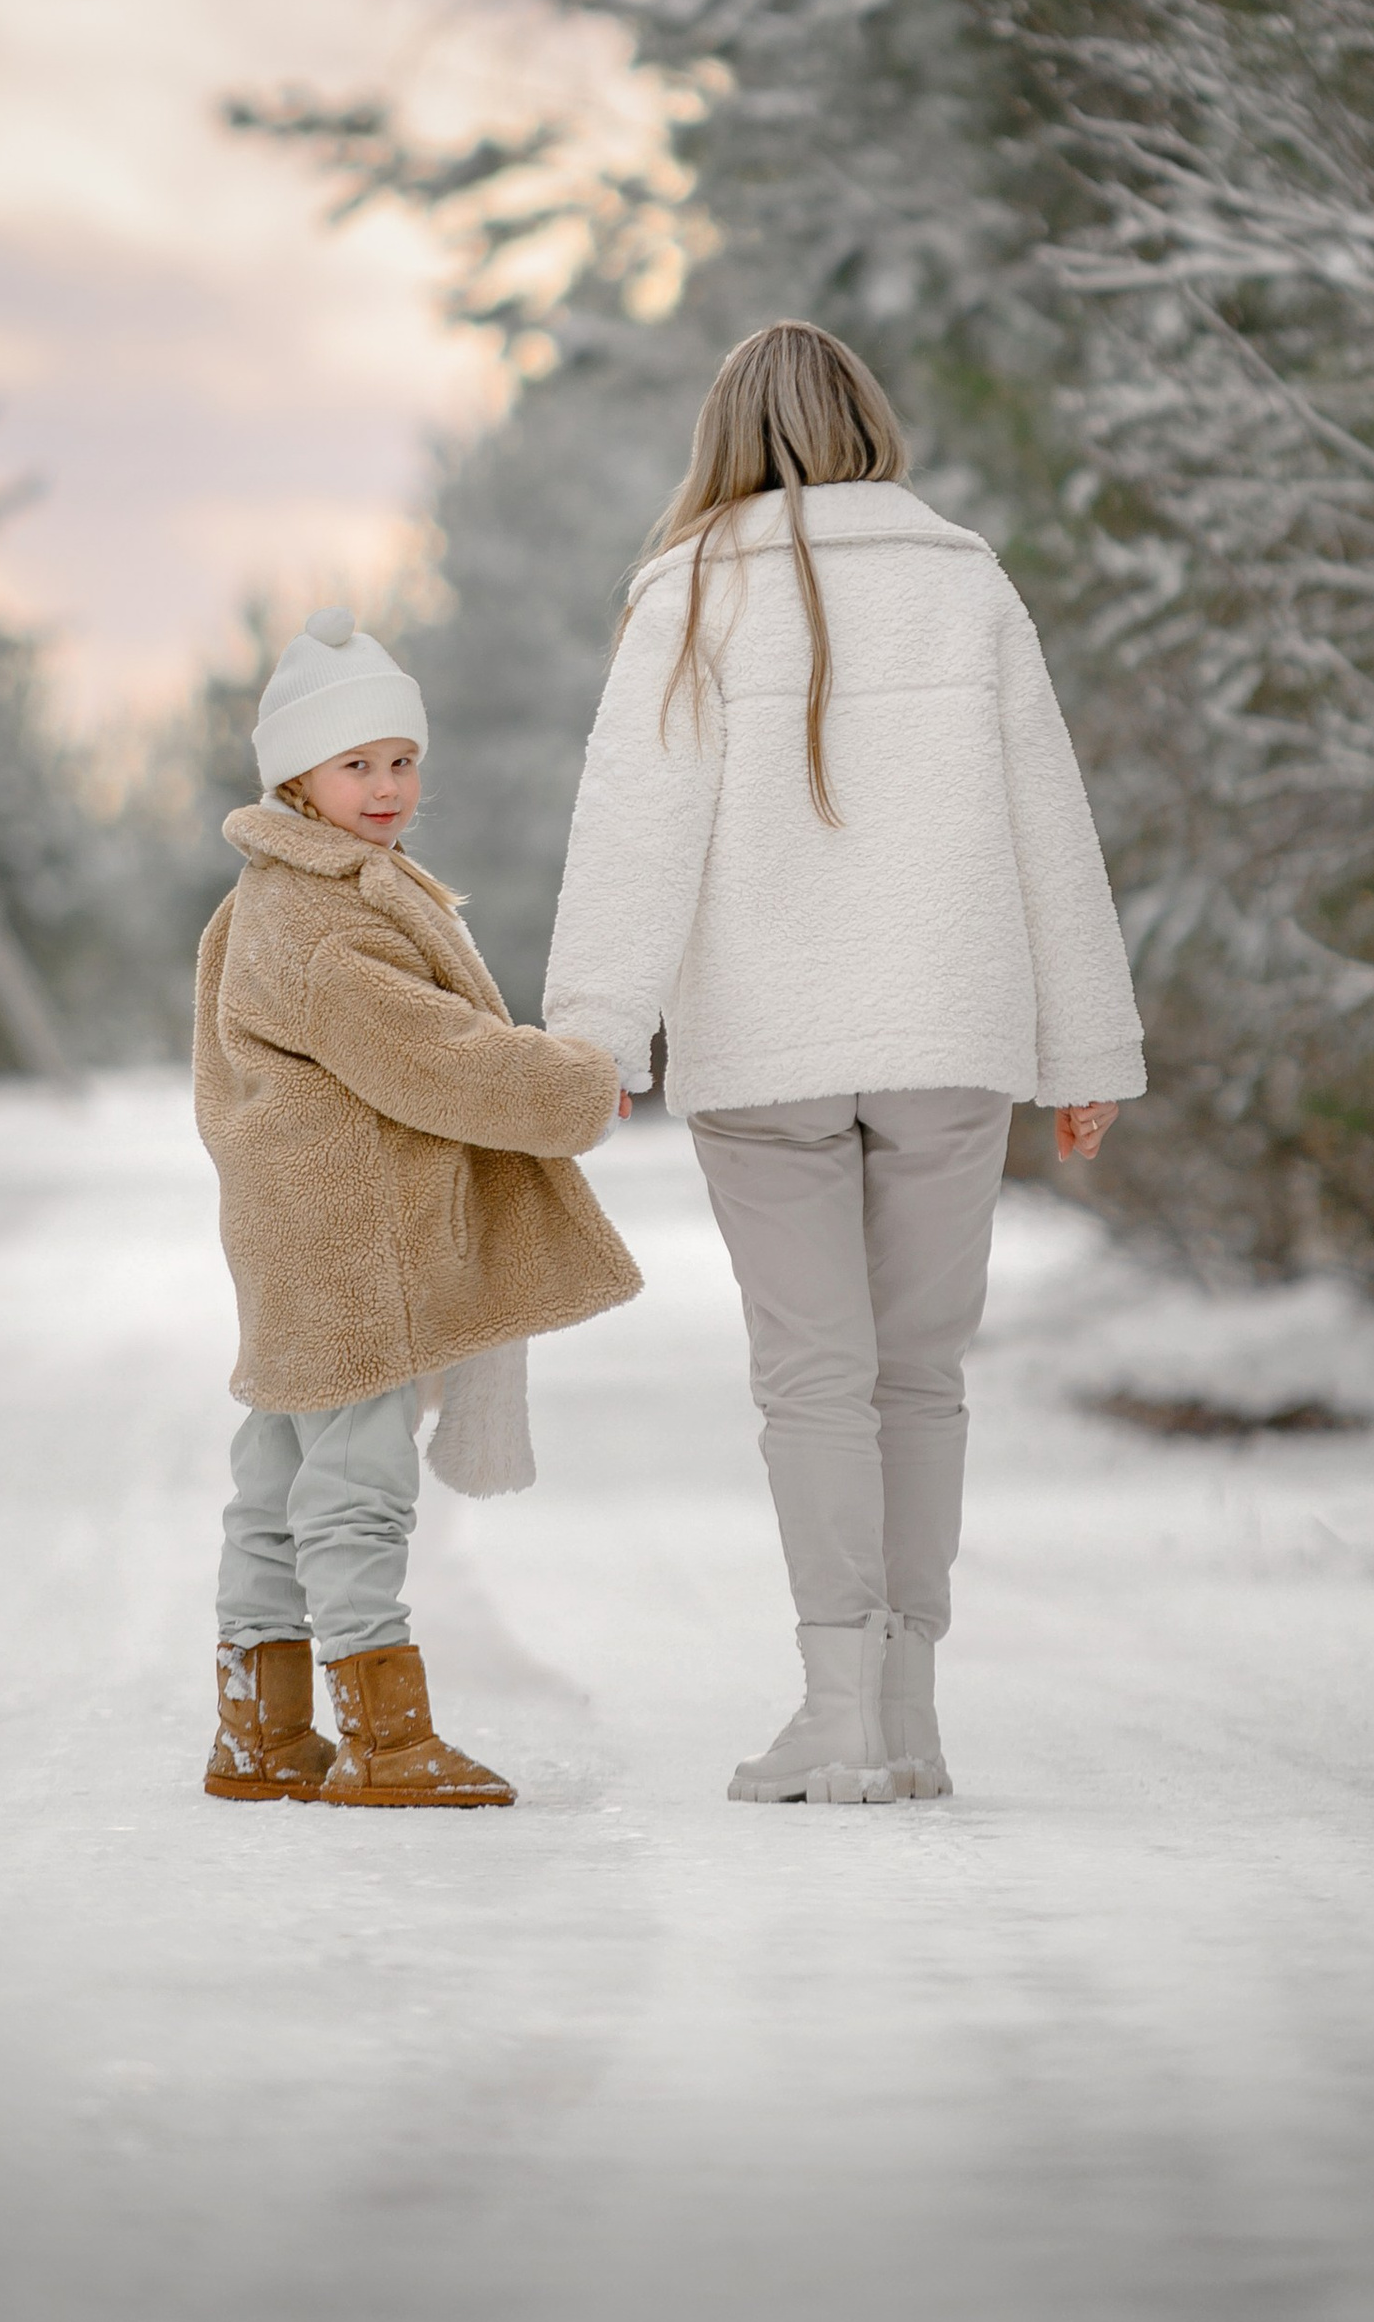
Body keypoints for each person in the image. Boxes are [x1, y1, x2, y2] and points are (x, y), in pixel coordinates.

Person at [544, 324, 1145, 1805]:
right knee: (920, 1376)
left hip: (769, 1049)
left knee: (815, 1376)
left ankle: (842, 1714)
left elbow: (635, 827)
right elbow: (1047, 826)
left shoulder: (685, 593)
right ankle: (910, 1719)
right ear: (872, 421)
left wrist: (593, 1039)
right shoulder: (967, 582)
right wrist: (1090, 1045)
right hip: (951, 1031)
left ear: (724, 441)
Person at [193, 609, 639, 1808]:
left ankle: (262, 1728)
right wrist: (579, 1083)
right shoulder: (323, 915)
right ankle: (382, 1737)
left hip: (304, 1235)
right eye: (357, 764)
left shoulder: (285, 889)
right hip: (353, 1243)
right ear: (297, 774)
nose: (388, 785)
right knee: (353, 1483)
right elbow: (433, 1055)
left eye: (401, 759)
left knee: (277, 1475)